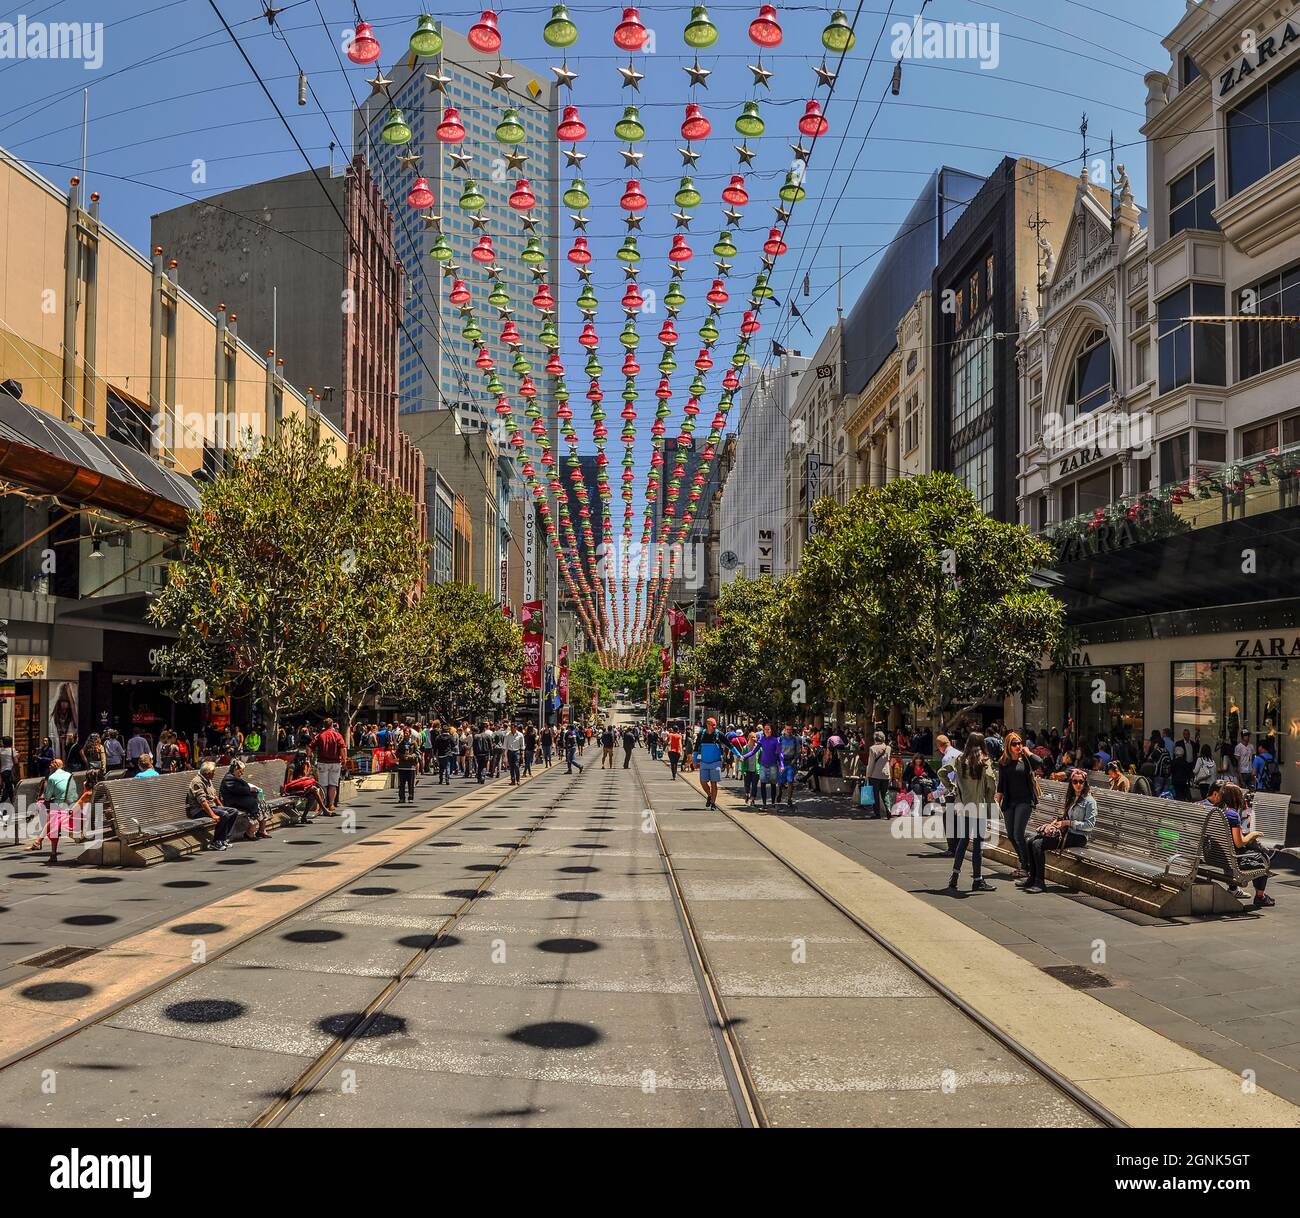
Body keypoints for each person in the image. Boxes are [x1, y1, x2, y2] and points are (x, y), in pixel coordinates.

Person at [1021, 768, 1096, 893]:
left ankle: (1040, 882)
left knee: (1037, 844)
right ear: (1071, 783)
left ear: (1085, 783)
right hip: (1067, 833)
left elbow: (1090, 825)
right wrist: (1057, 823)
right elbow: (1066, 818)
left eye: (1081, 782)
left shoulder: (1089, 802)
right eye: (1075, 782)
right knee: (1030, 841)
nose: (1078, 784)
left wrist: (1068, 823)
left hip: (1079, 837)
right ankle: (1032, 878)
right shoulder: (1072, 798)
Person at [948, 732, 996, 893]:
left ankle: (954, 875)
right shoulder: (984, 761)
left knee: (963, 840)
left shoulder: (960, 760)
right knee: (977, 845)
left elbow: (942, 773)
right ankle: (977, 879)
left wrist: (955, 790)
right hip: (980, 807)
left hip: (965, 806)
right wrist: (990, 800)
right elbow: (991, 781)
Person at [1219, 783, 1274, 909]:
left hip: (1218, 856)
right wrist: (1253, 834)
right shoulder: (1232, 815)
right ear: (1236, 798)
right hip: (1234, 858)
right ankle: (1260, 896)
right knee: (1263, 858)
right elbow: (1239, 842)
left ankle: (1236, 889)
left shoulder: (1217, 811)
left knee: (1257, 851)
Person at [997, 732, 1037, 882]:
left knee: (1018, 833)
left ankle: (1027, 867)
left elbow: (1039, 763)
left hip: (1025, 801)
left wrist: (1028, 752)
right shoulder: (1003, 762)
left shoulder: (1026, 760)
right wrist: (996, 801)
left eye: (1020, 743)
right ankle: (1024, 863)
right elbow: (1001, 784)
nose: (1018, 746)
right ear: (1008, 745)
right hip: (1009, 802)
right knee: (1011, 835)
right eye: (1014, 744)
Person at [187, 761, 239, 852]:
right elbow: (203, 802)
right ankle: (215, 842)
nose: (214, 774)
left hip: (211, 807)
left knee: (233, 811)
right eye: (213, 772)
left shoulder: (208, 780)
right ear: (207, 773)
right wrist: (213, 815)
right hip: (199, 810)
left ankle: (223, 839)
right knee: (224, 815)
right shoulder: (197, 782)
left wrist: (221, 806)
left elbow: (214, 796)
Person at [219, 758, 269, 841]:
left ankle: (261, 830)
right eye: (240, 771)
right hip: (232, 802)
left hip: (239, 799)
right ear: (235, 770)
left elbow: (242, 789)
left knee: (261, 803)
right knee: (255, 804)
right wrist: (250, 790)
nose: (241, 773)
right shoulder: (228, 779)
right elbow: (238, 790)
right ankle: (250, 832)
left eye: (242, 771)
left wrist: (251, 790)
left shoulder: (234, 777)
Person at [311, 718, 346, 812]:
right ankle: (331, 804)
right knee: (333, 785)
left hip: (322, 762)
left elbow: (310, 746)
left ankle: (320, 805)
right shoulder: (337, 735)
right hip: (335, 762)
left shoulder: (319, 735)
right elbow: (343, 748)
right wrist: (344, 759)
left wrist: (310, 758)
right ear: (332, 725)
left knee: (322, 786)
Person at [694, 717, 725, 810]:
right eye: (712, 725)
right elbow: (696, 748)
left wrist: (739, 755)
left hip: (715, 762)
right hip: (704, 762)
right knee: (703, 782)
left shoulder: (718, 734)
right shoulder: (702, 734)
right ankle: (710, 795)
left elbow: (729, 745)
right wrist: (694, 760)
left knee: (713, 784)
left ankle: (713, 803)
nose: (714, 727)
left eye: (715, 725)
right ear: (707, 725)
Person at [282, 753, 324, 822]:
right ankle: (324, 809)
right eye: (305, 759)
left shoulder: (300, 767)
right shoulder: (291, 767)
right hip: (290, 789)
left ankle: (304, 817)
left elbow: (304, 778)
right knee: (313, 789)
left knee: (312, 796)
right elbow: (289, 782)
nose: (306, 761)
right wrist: (300, 781)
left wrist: (308, 767)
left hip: (298, 788)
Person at [394, 721, 420, 804]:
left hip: (411, 766)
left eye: (407, 733)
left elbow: (417, 753)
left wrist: (411, 756)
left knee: (411, 784)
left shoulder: (413, 743)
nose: (406, 734)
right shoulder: (400, 743)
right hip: (402, 766)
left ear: (410, 734)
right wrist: (402, 756)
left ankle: (410, 797)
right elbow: (397, 753)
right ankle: (401, 797)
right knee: (401, 784)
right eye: (405, 733)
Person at [505, 722, 524, 786]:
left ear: (516, 728)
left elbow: (522, 745)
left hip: (517, 752)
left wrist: (522, 754)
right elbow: (505, 744)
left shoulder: (520, 735)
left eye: (513, 728)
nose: (511, 729)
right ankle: (513, 780)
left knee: (516, 765)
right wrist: (504, 753)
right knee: (511, 767)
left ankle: (518, 780)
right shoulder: (507, 735)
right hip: (510, 752)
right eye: (511, 728)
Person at [0, 734, 18, 805]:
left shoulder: (0, 750)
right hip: (10, 770)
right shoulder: (12, 750)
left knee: (9, 785)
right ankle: (3, 800)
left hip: (3, 771)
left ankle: (12, 800)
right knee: (8, 786)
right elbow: (16, 761)